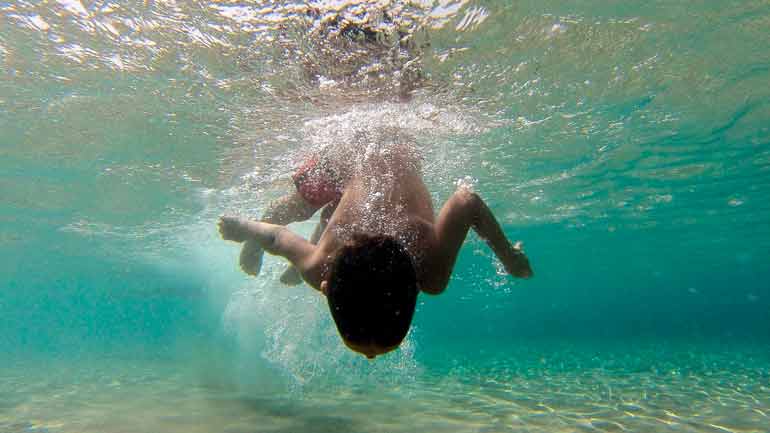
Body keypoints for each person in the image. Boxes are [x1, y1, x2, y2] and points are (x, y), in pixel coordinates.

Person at [218, 129, 533, 359]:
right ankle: (270, 242)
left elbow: (467, 200)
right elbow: (275, 236)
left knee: (322, 217)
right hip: (351, 155)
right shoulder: (319, 269)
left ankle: (308, 236)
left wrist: (508, 256)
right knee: (299, 207)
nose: (370, 358)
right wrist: (245, 229)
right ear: (326, 287)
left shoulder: (431, 274)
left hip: (352, 163)